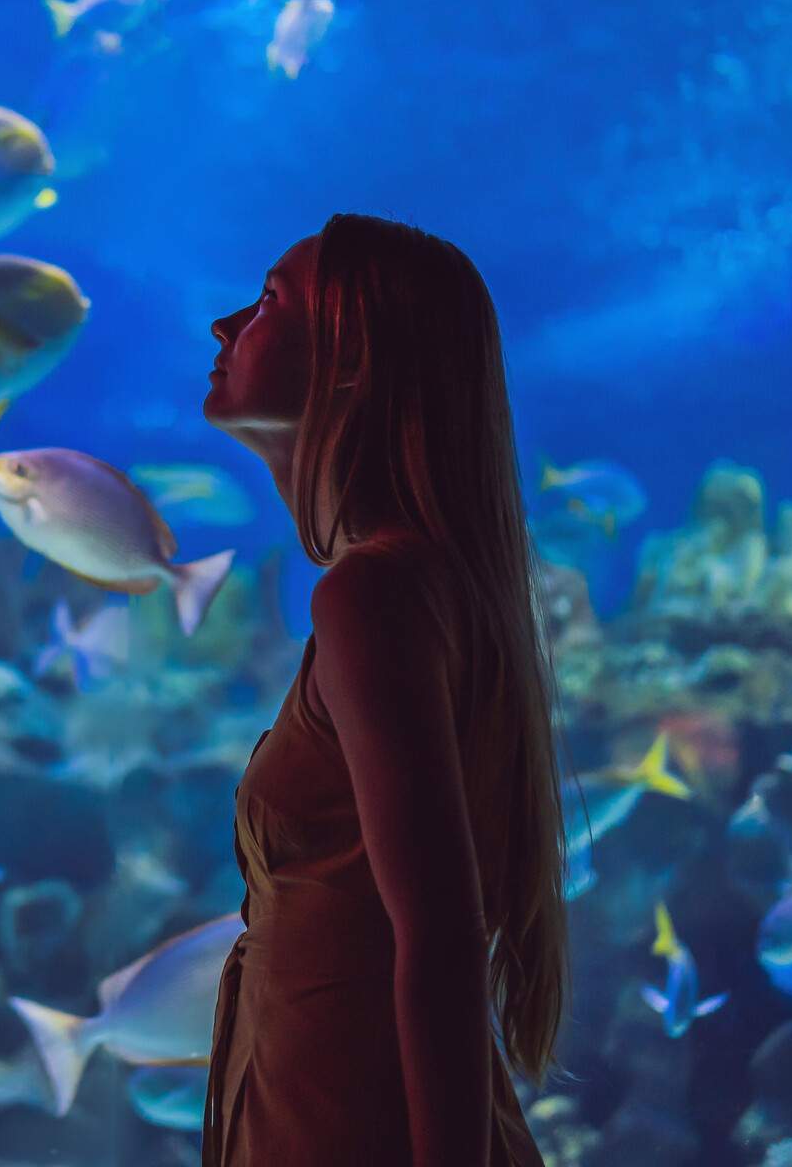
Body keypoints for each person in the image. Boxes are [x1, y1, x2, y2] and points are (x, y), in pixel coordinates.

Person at [199, 213, 568, 1166]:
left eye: (273, 300)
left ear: (353, 362)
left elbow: (439, 941)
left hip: (345, 1122)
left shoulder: (373, 597)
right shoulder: (436, 585)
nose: (224, 324)